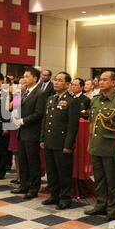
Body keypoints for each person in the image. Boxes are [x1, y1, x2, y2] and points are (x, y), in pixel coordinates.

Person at [85, 71, 115, 221]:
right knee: (99, 178)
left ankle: (112, 209)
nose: (101, 82)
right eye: (100, 80)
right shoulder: (95, 99)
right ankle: (100, 204)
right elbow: (93, 122)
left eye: (105, 80)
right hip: (97, 145)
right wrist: (90, 142)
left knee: (112, 180)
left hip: (112, 146)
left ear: (114, 82)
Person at [40, 72, 80, 209]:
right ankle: (54, 195)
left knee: (63, 172)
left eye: (59, 80)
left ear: (68, 84)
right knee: (51, 171)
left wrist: (68, 145)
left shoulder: (72, 101)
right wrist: (42, 138)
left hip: (62, 142)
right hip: (50, 141)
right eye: (55, 80)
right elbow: (46, 121)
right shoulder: (51, 98)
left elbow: (72, 126)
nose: (56, 82)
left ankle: (65, 197)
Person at [11, 67, 47, 199]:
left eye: (27, 76)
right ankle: (24, 185)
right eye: (24, 76)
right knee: (23, 160)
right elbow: (14, 107)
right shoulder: (25, 92)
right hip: (22, 132)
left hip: (32, 132)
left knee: (33, 162)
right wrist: (17, 94)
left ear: (35, 78)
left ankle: (34, 188)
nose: (24, 79)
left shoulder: (40, 93)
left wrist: (22, 121)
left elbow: (39, 114)